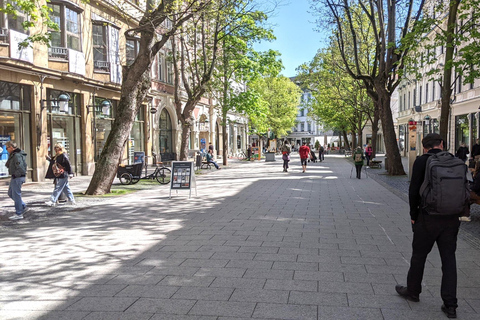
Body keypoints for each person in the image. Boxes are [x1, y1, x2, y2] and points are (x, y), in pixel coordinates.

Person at [396, 133, 462, 319]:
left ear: (424, 147)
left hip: (427, 217)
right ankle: (450, 305)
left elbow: (413, 190)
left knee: (419, 255)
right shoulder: (454, 161)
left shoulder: (421, 162)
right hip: (451, 218)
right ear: (441, 144)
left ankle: (413, 291)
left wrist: (413, 216)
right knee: (449, 259)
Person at [5, 141, 28, 220]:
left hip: (17, 177)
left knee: (16, 195)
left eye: (7, 147)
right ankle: (23, 206)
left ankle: (19, 213)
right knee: (10, 193)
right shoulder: (13, 155)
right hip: (15, 177)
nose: (6, 149)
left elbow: (20, 166)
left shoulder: (16, 155)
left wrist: (17, 175)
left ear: (11, 147)